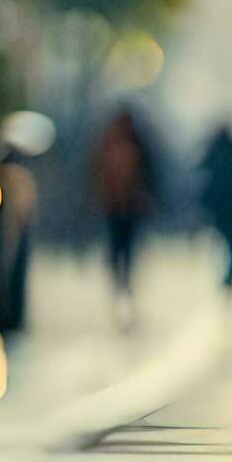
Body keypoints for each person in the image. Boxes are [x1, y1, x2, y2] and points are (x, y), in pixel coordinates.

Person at [95, 109, 155, 327]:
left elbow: (150, 173)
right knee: (118, 255)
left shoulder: (132, 145)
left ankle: (124, 293)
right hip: (115, 207)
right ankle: (122, 292)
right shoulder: (110, 144)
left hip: (128, 208)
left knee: (124, 254)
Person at [199, 124, 232, 288]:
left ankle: (225, 275)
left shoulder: (215, 151)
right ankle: (227, 275)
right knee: (230, 243)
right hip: (229, 204)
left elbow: (202, 167)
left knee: (223, 242)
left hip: (221, 204)